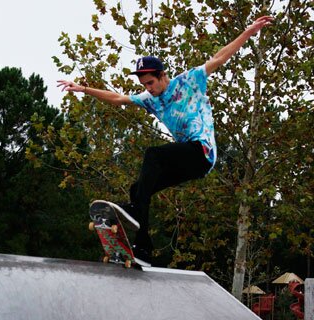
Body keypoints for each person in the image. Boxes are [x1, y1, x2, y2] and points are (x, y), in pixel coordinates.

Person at [58, 15, 273, 266]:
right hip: (186, 162)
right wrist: (83, 89)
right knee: (138, 190)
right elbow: (117, 98)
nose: (148, 88)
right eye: (144, 84)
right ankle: (143, 248)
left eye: (150, 82)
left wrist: (248, 32)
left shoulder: (189, 81)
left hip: (201, 152)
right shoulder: (150, 99)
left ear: (162, 76)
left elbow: (219, 58)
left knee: (153, 155)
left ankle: (136, 213)